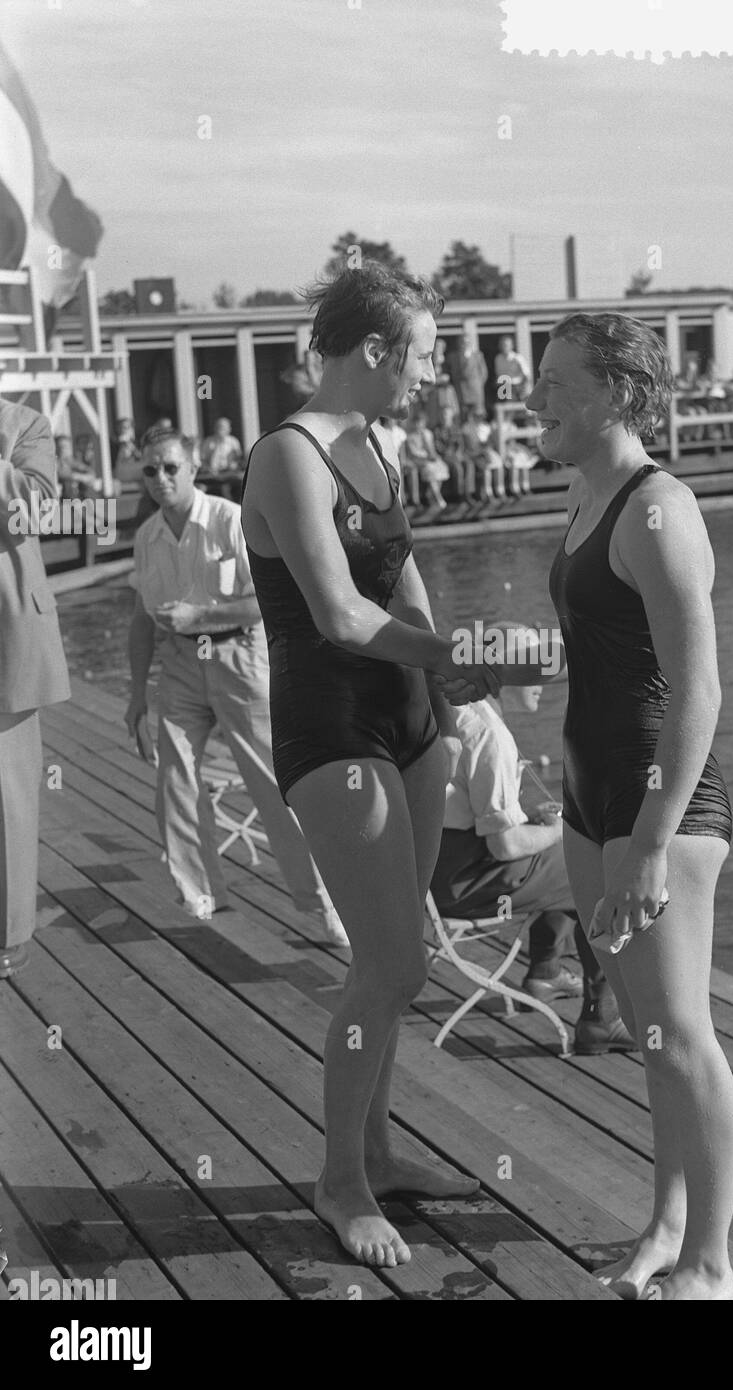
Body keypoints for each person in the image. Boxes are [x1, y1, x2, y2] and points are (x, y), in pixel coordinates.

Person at [239, 261, 497, 1269]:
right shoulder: (289, 454)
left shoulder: (376, 445)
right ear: (377, 349)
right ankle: (340, 1180)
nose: (432, 376)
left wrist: (453, 669)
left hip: (410, 721)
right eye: (424, 356)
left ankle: (380, 1154)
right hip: (332, 726)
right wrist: (448, 655)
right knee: (388, 962)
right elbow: (342, 614)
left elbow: (405, 579)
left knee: (402, 961)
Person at [521, 311, 733, 1301]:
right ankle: (664, 1223)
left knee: (684, 1030)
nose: (535, 398)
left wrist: (652, 842)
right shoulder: (583, 491)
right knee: (649, 1029)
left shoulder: (659, 509)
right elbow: (597, 649)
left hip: (665, 804)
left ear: (615, 391)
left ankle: (712, 1262)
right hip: (588, 791)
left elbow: (698, 689)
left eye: (556, 380)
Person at [125, 425, 347, 943]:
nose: (159, 479)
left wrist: (200, 613)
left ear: (193, 468)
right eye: (149, 470)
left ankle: (324, 901)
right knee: (174, 779)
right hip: (178, 666)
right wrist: (137, 695)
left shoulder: (229, 520)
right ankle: (200, 896)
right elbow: (141, 620)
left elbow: (271, 603)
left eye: (169, 467)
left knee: (274, 785)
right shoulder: (147, 536)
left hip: (238, 657)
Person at [430, 624, 635, 1054]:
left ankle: (544, 973)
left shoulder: (450, 710)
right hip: (464, 884)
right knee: (594, 867)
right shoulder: (486, 732)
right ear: (501, 675)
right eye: (538, 671)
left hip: (430, 874)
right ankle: (602, 1019)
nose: (549, 682)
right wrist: (560, 829)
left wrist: (542, 827)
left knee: (562, 849)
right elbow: (503, 847)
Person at [0, 400, 72, 980]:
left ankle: (8, 931)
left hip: (6, 639)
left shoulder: (23, 423)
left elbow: (38, 510)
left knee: (8, 795)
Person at [400, 410, 448, 510]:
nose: (419, 424)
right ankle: (438, 498)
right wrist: (427, 458)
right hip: (418, 460)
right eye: (417, 422)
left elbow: (431, 450)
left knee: (441, 466)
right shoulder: (410, 436)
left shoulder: (428, 433)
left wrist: (432, 455)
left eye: (421, 422)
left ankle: (430, 494)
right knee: (430, 468)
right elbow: (413, 453)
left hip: (428, 457)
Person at [448, 331, 488, 419]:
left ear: (470, 343)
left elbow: (484, 373)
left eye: (467, 342)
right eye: (462, 342)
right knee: (464, 415)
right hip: (462, 390)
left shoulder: (478, 355)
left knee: (478, 414)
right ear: (459, 343)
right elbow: (454, 373)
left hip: (476, 390)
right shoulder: (454, 356)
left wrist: (478, 384)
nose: (464, 344)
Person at [493, 335, 532, 403]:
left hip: (517, 388)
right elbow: (498, 375)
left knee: (516, 409)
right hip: (503, 387)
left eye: (506, 345)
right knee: (503, 409)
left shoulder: (518, 358)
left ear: (512, 346)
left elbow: (527, 375)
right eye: (502, 345)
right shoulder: (498, 358)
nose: (504, 347)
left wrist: (524, 390)